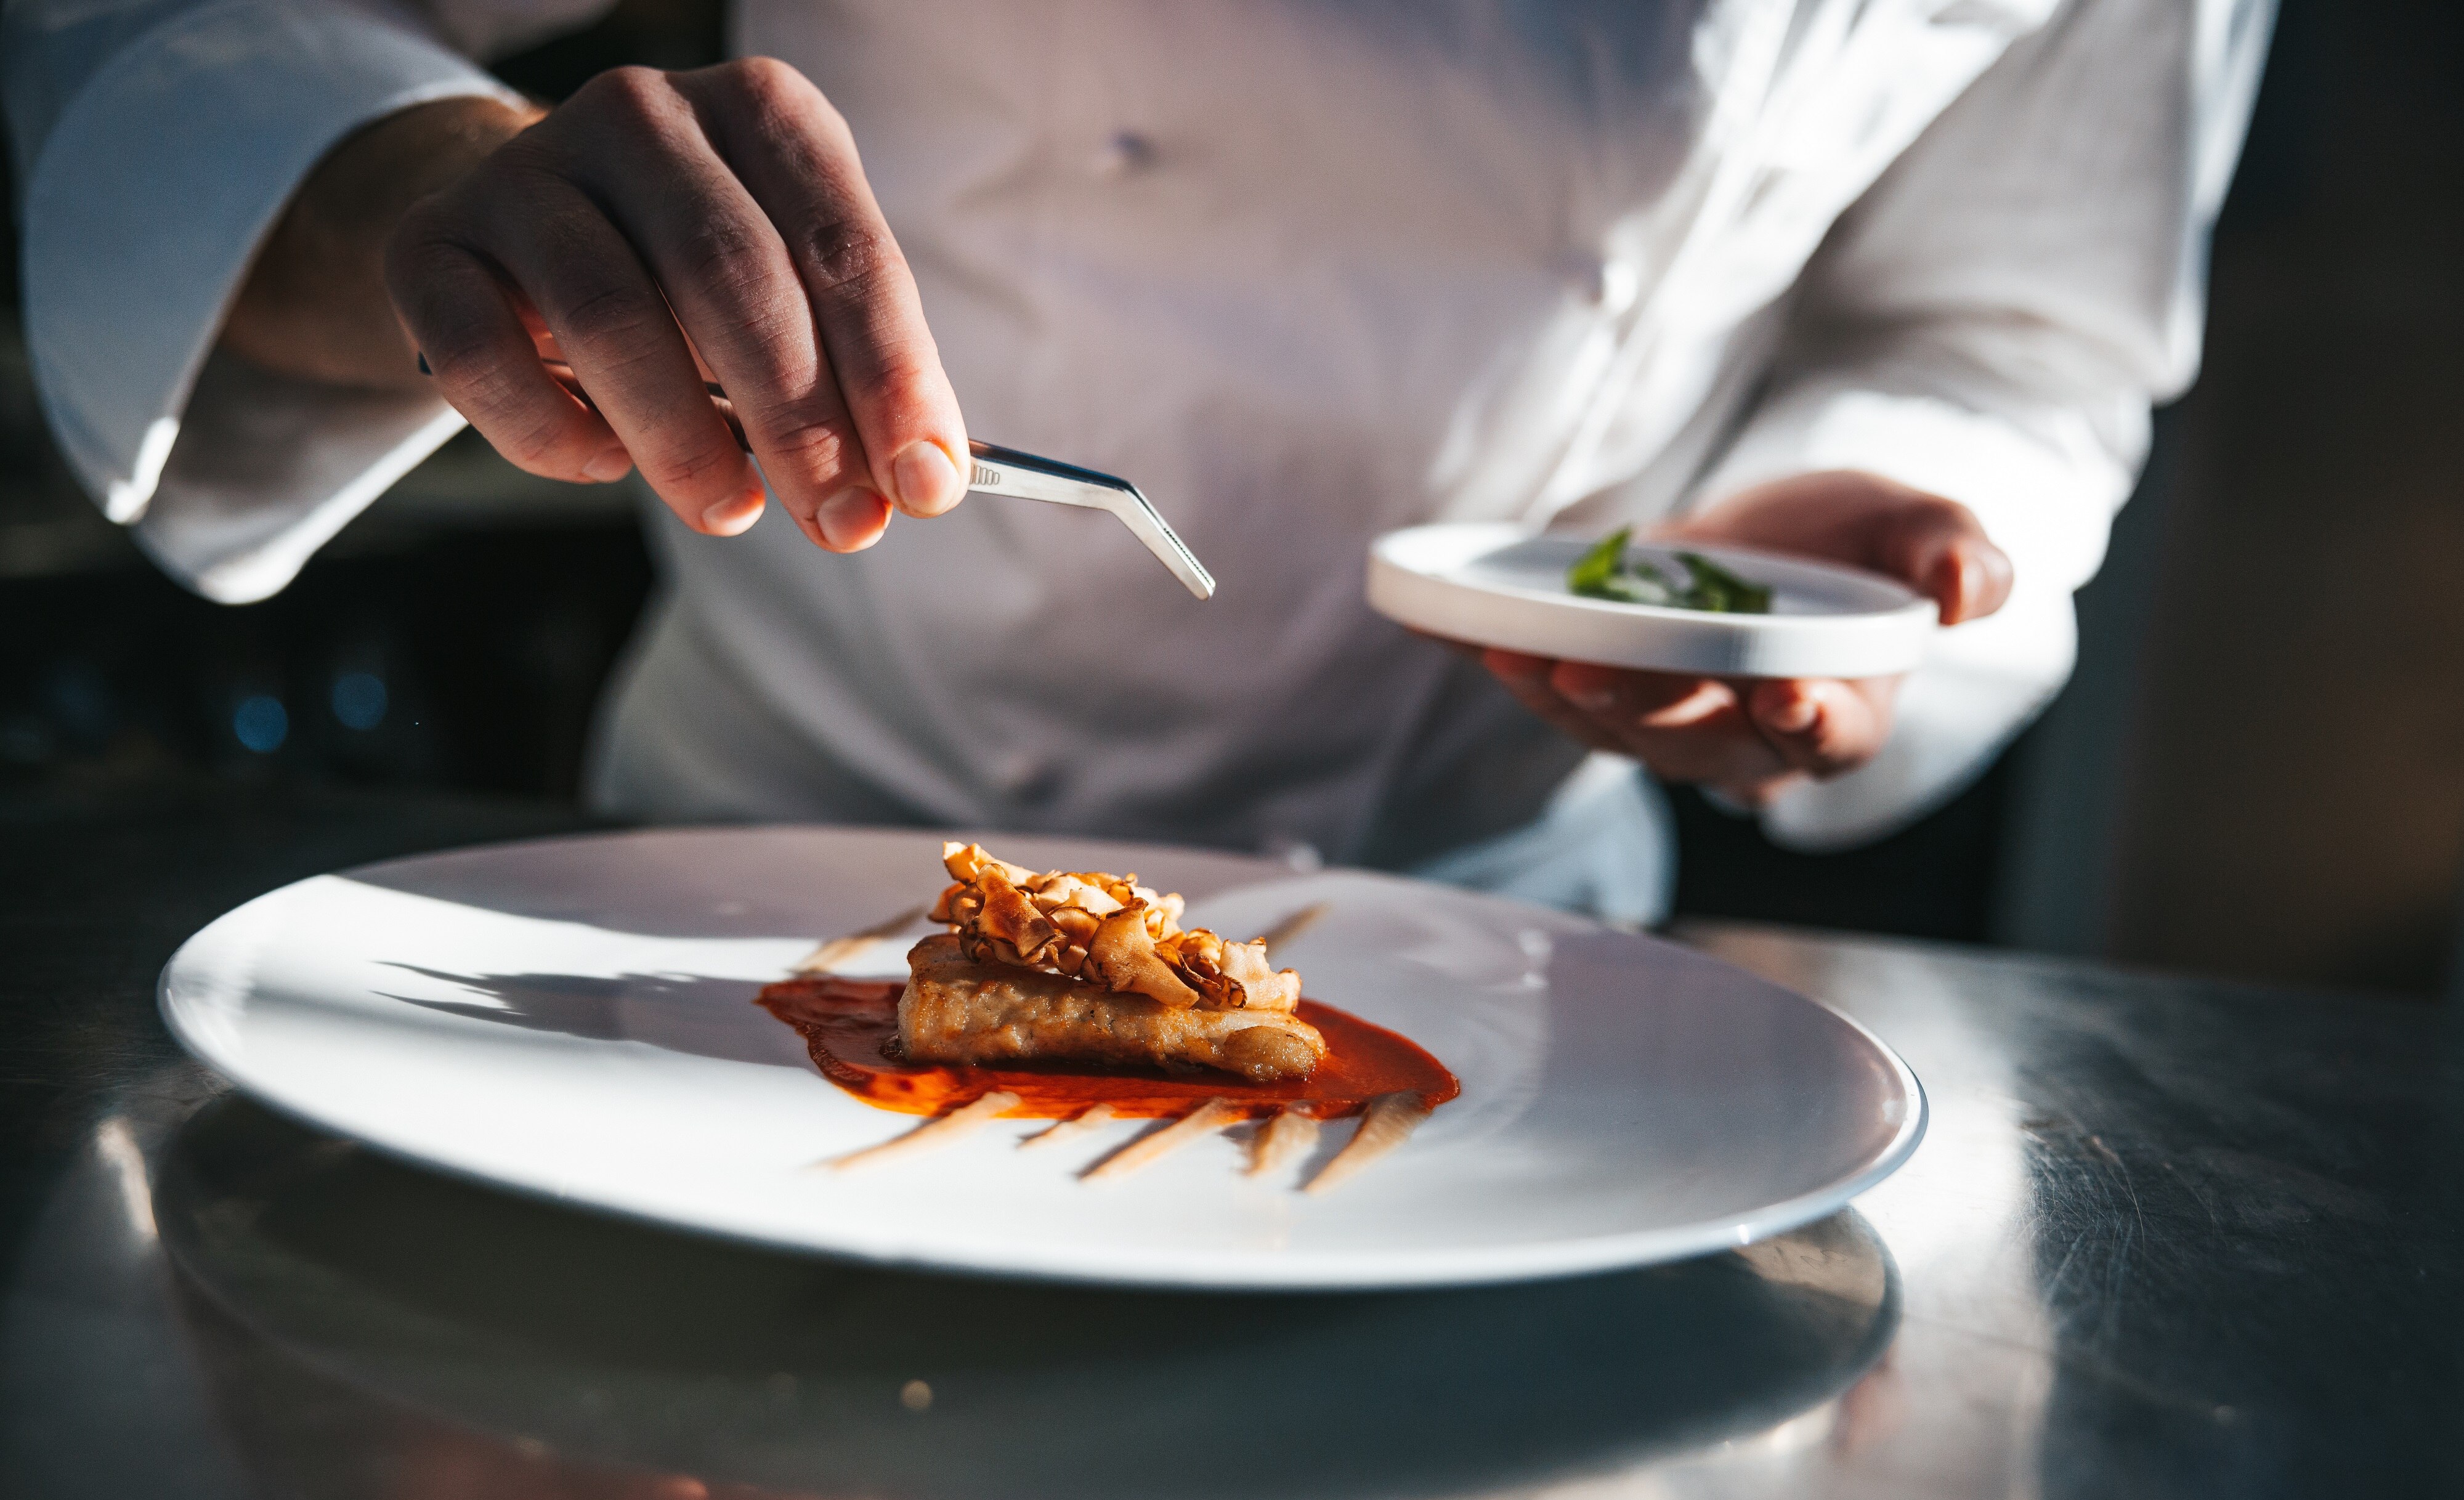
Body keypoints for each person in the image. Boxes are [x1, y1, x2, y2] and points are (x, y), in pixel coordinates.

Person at [4, 0, 2271, 922]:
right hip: (760, 874)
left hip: (1502, 955)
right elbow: (149, 31)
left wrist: (1833, 554)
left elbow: (2002, 333)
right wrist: (440, 192)